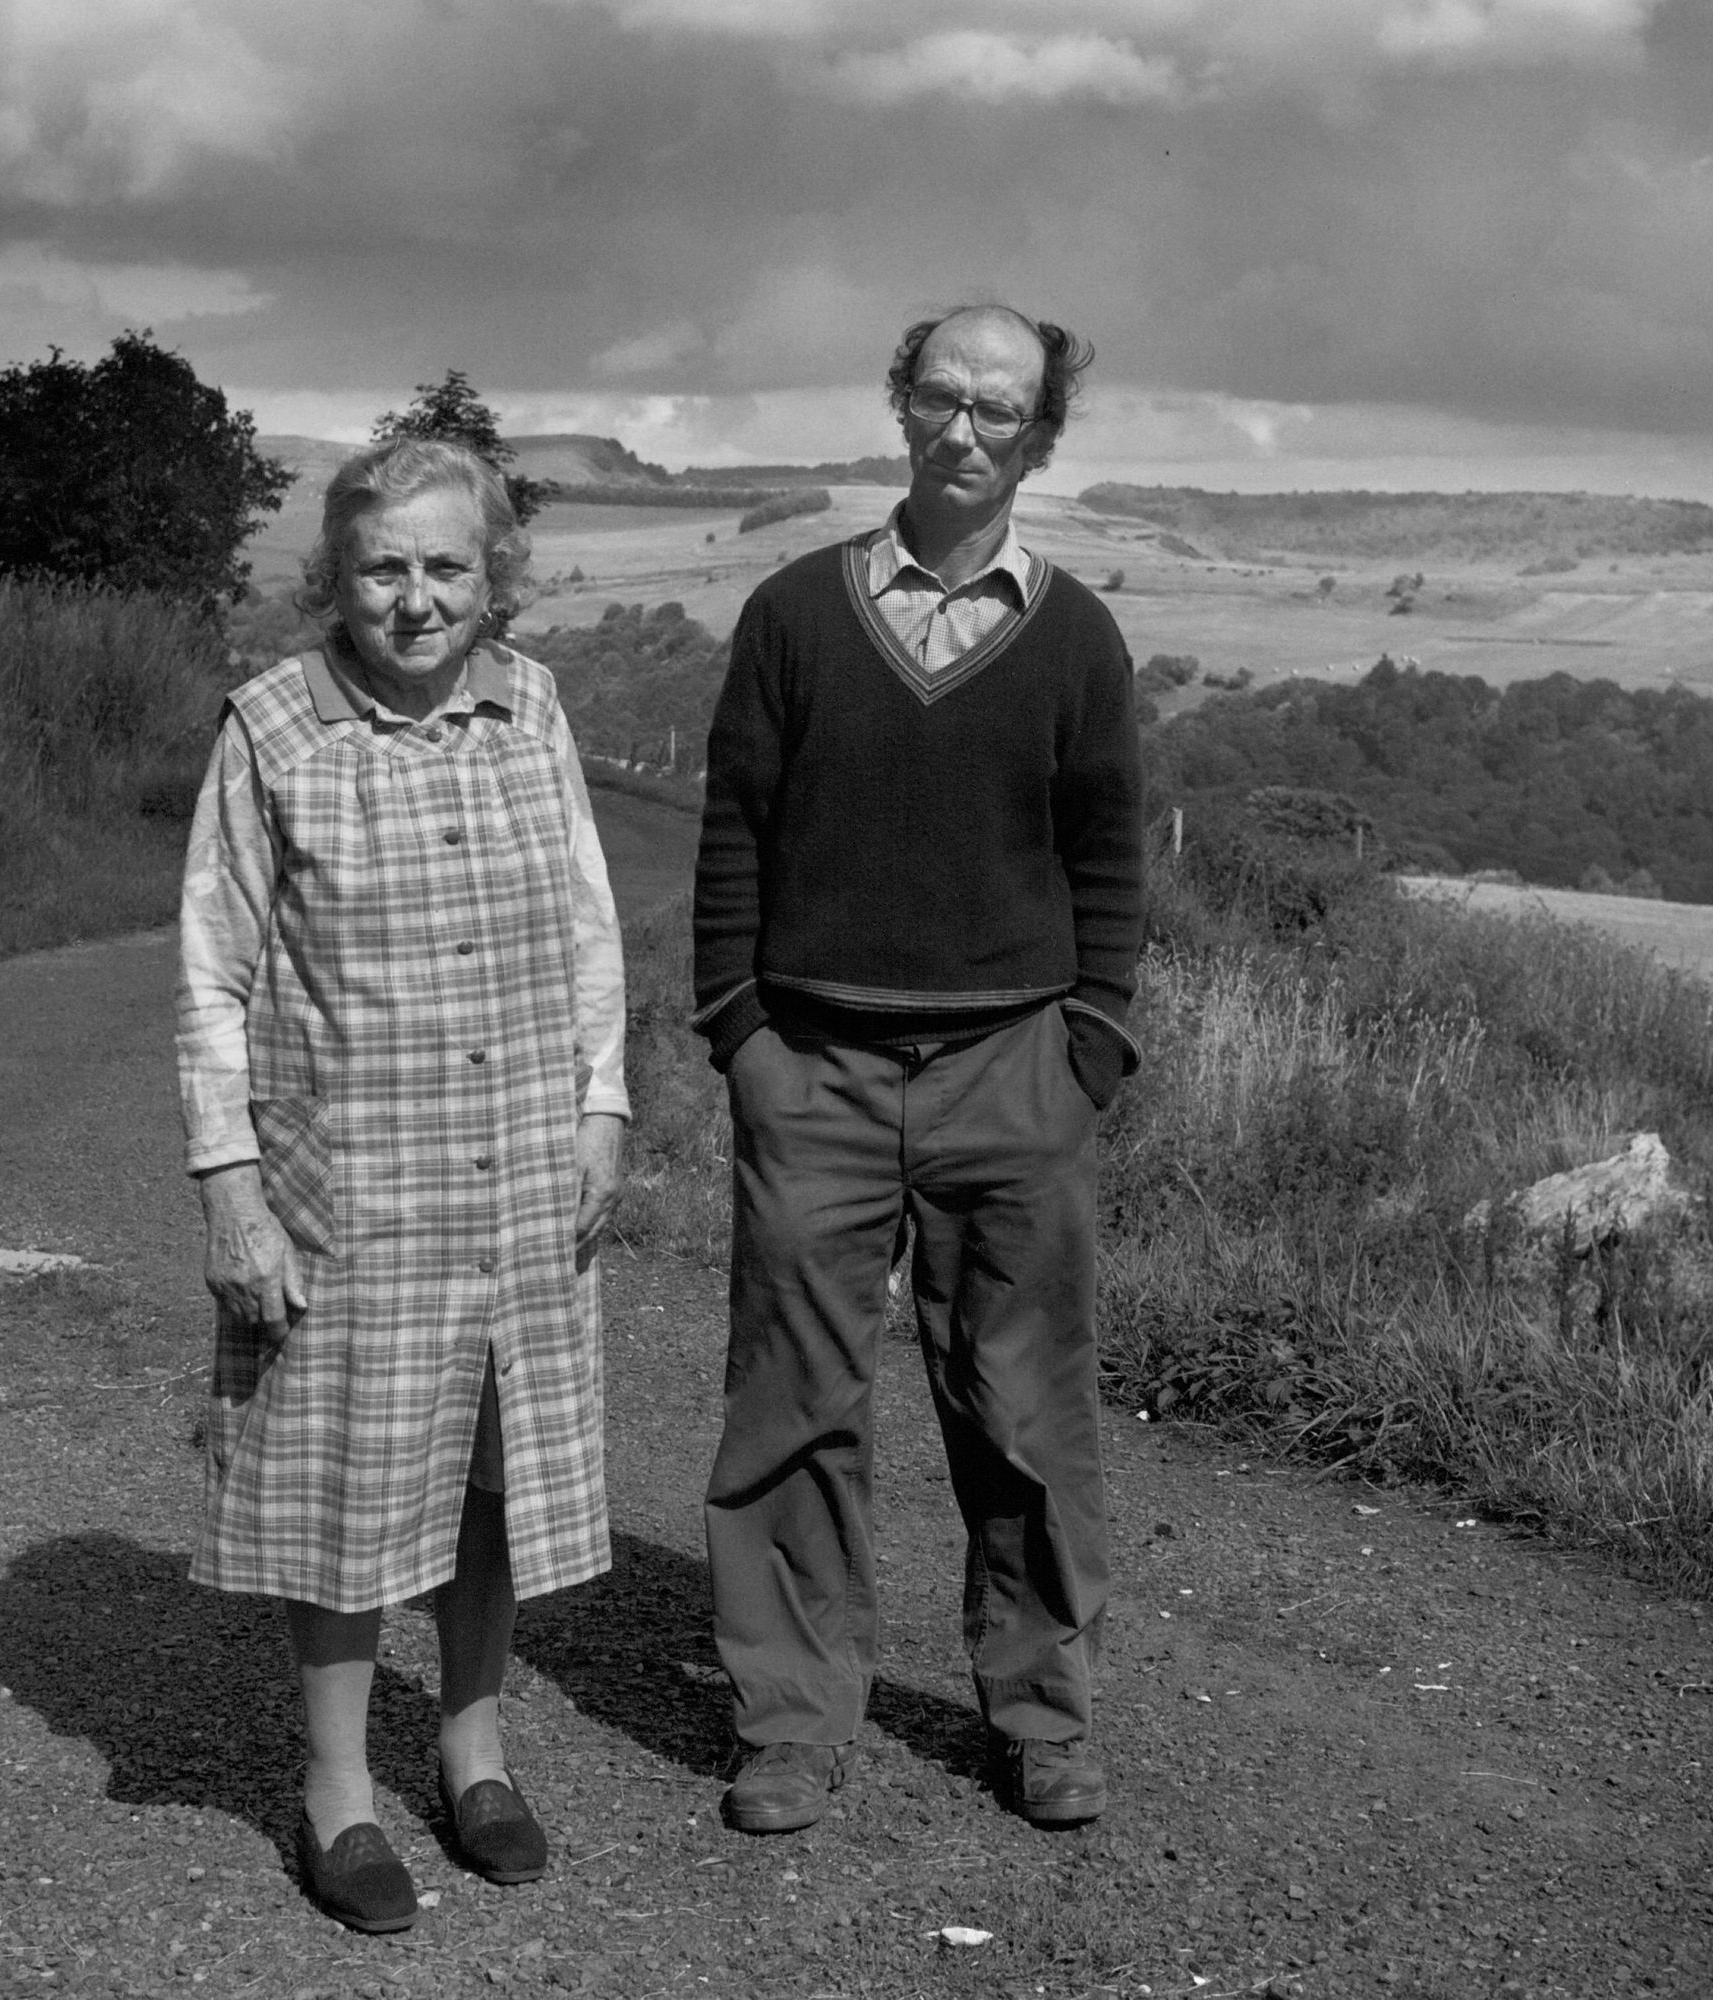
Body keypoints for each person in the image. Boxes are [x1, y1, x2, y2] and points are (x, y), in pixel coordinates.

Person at [691, 304, 1145, 1834]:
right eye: (940, 396)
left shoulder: (1076, 638)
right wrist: (743, 1039)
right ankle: (790, 1718)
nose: (964, 429)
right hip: (811, 1068)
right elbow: (734, 834)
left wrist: (1089, 1052)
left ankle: (1043, 1715)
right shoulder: (793, 614)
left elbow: (1108, 860)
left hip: (1015, 1071)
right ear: (901, 406)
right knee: (790, 1405)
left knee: (1025, 1410)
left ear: (1039, 435)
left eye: (997, 408)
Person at [176, 438, 628, 1931]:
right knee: (353, 1481)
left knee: (493, 1473)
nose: (416, 598)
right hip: (354, 1182)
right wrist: (230, 1183)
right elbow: (212, 975)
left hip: (518, 1165)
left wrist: (602, 1106)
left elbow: (587, 927)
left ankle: (474, 1754)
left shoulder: (532, 706)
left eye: (447, 566)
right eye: (384, 568)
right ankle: (338, 1789)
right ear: (337, 576)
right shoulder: (273, 727)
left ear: (494, 575)